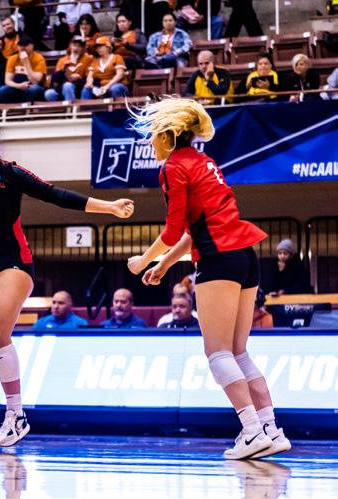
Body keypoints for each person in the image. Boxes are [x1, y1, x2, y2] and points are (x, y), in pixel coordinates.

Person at [0, 120, 134, 449]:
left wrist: (109, 207)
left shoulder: (10, 173)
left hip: (13, 264)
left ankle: (16, 415)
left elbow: (56, 195)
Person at [127, 97, 290, 459]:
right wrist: (165, 266)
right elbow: (193, 230)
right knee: (238, 352)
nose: (150, 141)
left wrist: (143, 261)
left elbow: (173, 231)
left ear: (167, 136)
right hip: (245, 257)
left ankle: (251, 431)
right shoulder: (205, 162)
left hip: (219, 260)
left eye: (153, 135)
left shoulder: (173, 167)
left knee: (217, 353)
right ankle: (270, 429)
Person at [0, 35, 46, 104]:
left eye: (25, 45)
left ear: (32, 46)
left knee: (34, 89)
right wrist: (19, 86)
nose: (22, 47)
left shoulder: (39, 58)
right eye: (20, 45)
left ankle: (31, 109)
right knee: (3, 90)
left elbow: (35, 81)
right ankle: (11, 109)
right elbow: (7, 81)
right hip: (17, 86)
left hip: (32, 85)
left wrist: (26, 62)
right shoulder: (12, 59)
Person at [45, 36, 92, 103]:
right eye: (74, 45)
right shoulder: (62, 60)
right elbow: (55, 80)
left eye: (79, 46)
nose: (76, 48)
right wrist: (63, 68)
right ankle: (63, 109)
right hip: (63, 87)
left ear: (83, 48)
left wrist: (79, 78)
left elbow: (91, 77)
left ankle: (71, 107)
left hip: (80, 87)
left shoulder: (88, 59)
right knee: (49, 94)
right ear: (70, 46)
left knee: (68, 85)